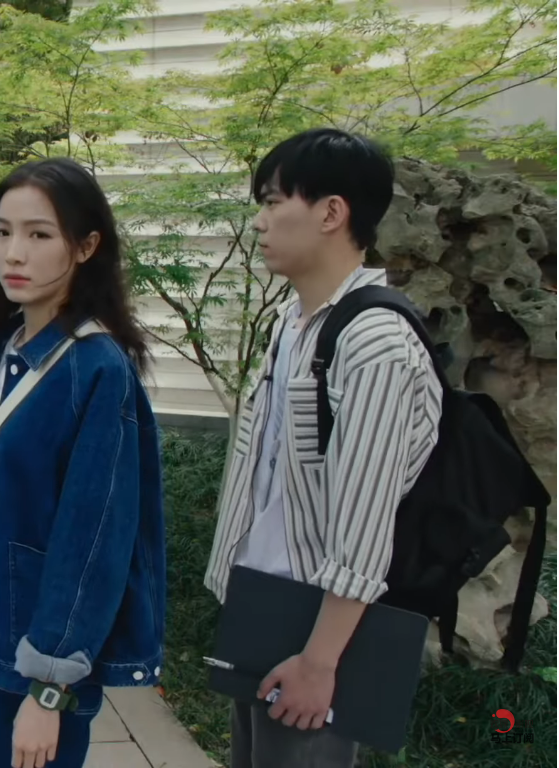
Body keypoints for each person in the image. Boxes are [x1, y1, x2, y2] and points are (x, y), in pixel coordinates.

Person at [203, 128, 442, 768]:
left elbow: (366, 521)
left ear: (332, 212)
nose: (259, 221)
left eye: (272, 201)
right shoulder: (294, 322)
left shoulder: (375, 343)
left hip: (314, 631)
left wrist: (319, 661)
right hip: (263, 603)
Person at [0, 157, 166, 768]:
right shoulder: (8, 346)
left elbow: (93, 541)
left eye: (40, 235)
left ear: (87, 246)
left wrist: (49, 688)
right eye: (2, 232)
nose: (13, 253)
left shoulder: (97, 368)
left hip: (35, 659)